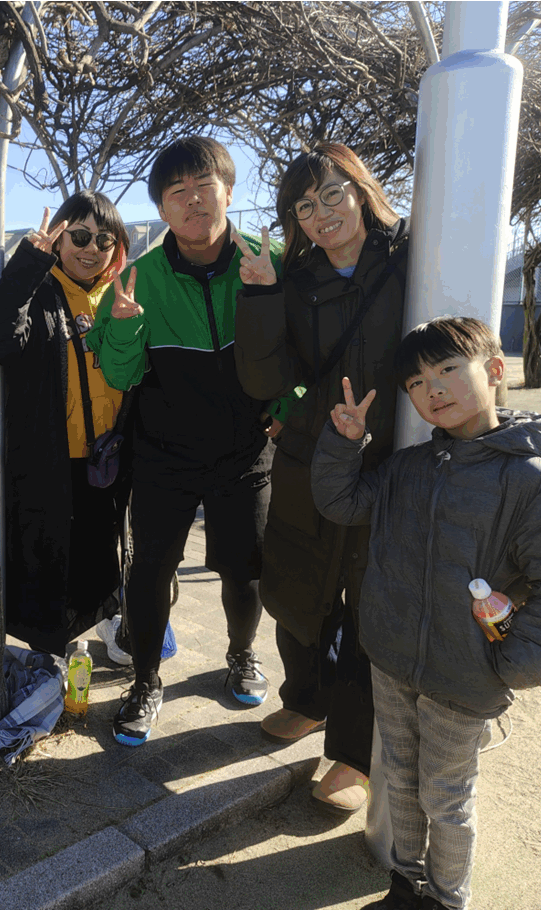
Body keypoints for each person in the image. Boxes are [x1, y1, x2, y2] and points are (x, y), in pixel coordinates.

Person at [311, 316, 541, 910]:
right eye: (415, 381)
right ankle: (406, 884)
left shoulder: (526, 479)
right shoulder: (409, 466)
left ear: (495, 370)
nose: (431, 388)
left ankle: (445, 898)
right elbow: (341, 502)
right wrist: (345, 442)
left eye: (446, 369)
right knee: (402, 782)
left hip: (465, 677)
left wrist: (510, 663)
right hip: (392, 661)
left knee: (446, 797)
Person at [234, 142, 408, 814]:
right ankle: (306, 700)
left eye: (332, 193)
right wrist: (260, 295)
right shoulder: (295, 278)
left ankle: (354, 754)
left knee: (370, 602)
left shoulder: (409, 258)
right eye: (304, 206)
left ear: (360, 188)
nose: (321, 212)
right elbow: (264, 379)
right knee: (294, 583)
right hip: (310, 453)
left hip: (388, 459)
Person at [92, 136, 280, 747]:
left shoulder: (269, 260)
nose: (194, 200)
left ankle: (241, 654)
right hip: (162, 455)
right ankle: (145, 681)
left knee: (245, 567)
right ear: (162, 208)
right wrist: (126, 328)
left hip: (245, 453)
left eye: (205, 185)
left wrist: (286, 407)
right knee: (150, 569)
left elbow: (304, 349)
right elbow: (118, 374)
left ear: (229, 191)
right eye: (178, 191)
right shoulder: (136, 278)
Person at [0, 190, 131, 656]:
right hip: (50, 462)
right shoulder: (39, 292)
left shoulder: (117, 296)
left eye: (104, 240)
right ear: (58, 239)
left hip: (107, 462)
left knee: (102, 554)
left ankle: (108, 621)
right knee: (47, 564)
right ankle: (47, 654)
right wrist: (29, 263)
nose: (91, 248)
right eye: (79, 236)